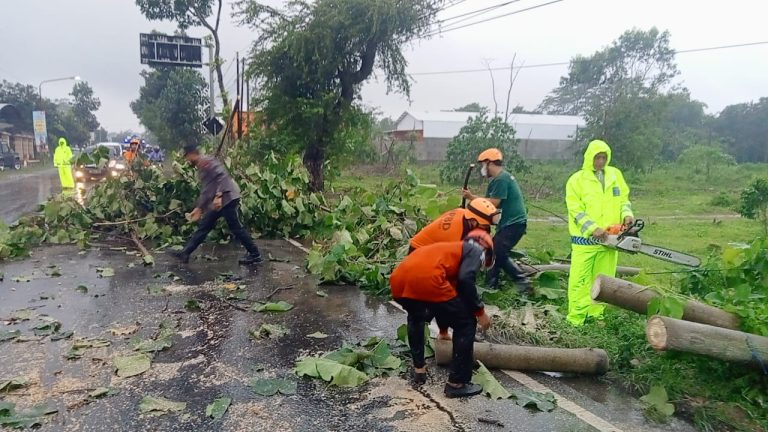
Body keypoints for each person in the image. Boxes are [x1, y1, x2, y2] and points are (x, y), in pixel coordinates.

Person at [390, 229, 493, 398]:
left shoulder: (445, 250)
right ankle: (457, 383)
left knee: (416, 317)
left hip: (399, 280)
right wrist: (480, 312)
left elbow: (443, 304)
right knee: (466, 323)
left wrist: (444, 332)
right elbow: (466, 279)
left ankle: (419, 370)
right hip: (430, 279)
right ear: (487, 250)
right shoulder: (475, 251)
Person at [409, 198, 499, 340]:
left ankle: (443, 332)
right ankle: (418, 353)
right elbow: (462, 279)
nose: (486, 231)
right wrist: (479, 312)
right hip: (419, 255)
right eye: (484, 227)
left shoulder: (464, 215)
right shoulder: (455, 237)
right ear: (474, 222)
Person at [565, 139, 634, 326]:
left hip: (610, 240)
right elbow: (576, 210)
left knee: (603, 280)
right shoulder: (576, 181)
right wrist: (592, 228)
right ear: (590, 158)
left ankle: (596, 316)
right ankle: (576, 319)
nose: (601, 162)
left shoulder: (615, 175)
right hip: (584, 241)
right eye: (597, 158)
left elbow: (623, 200)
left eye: (604, 157)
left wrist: (627, 215)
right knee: (580, 280)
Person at [169, 144, 263, 265]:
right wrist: (199, 208)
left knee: (236, 228)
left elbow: (222, 176)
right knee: (204, 226)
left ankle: (255, 255)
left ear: (192, 154)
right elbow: (207, 189)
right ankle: (185, 253)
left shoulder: (206, 162)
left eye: (187, 157)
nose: (187, 160)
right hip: (219, 202)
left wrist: (218, 195)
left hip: (226, 198)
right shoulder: (201, 166)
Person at [462, 148, 531, 291]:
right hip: (509, 224)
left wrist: (471, 197)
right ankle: (491, 285)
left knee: (497, 252)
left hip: (513, 223)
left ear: (489, 163)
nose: (482, 169)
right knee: (494, 252)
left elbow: (491, 204)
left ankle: (522, 282)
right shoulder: (498, 180)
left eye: (483, 165)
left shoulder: (502, 179)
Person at [409, 198, 500, 251]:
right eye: (484, 226)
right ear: (473, 221)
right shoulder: (455, 234)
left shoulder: (462, 212)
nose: (486, 229)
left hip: (429, 247)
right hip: (419, 251)